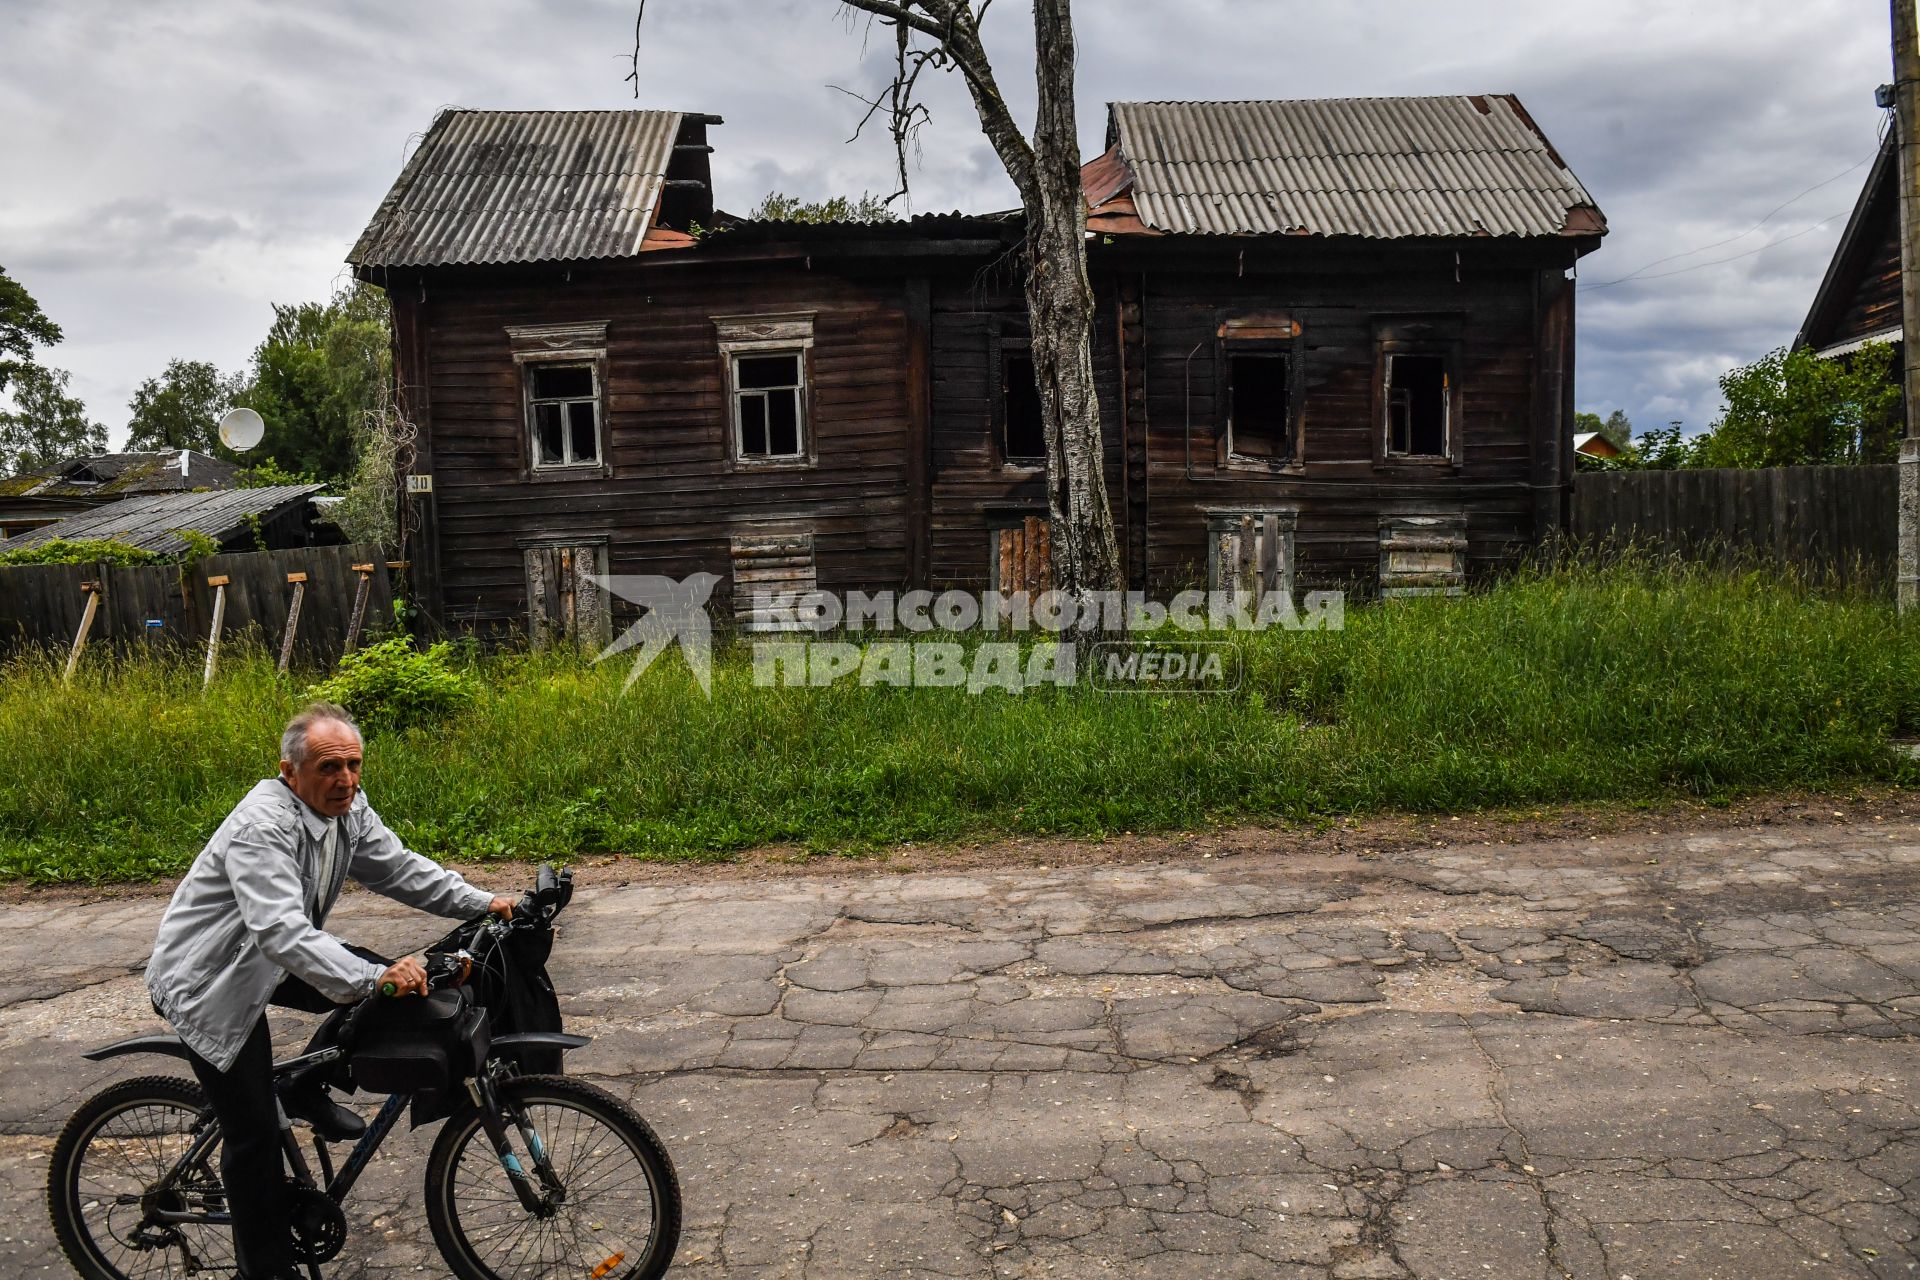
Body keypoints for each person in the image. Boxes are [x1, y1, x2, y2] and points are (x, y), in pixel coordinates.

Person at [146, 701, 515, 1280]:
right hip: (210, 983)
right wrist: (375, 977)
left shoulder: (347, 809)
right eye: (328, 767)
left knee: (391, 991)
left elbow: (399, 869)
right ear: (290, 772)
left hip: (269, 959)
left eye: (353, 764)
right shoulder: (260, 828)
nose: (344, 779)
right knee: (254, 1138)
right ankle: (265, 1270)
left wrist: (484, 901)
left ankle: (304, 1083)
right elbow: (280, 932)